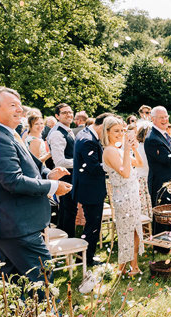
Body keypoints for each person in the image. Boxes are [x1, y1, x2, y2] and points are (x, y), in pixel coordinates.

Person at [0, 87, 71, 298]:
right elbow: (13, 180)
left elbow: (32, 166)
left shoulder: (11, 134)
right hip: (19, 227)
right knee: (43, 280)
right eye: (12, 105)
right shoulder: (1, 137)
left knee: (17, 287)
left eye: (19, 105)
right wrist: (53, 187)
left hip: (17, 226)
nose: (19, 110)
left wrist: (49, 174)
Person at [101, 116, 145, 276]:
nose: (120, 134)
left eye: (122, 130)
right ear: (107, 132)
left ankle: (130, 266)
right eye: (116, 131)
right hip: (123, 195)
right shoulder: (109, 150)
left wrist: (133, 149)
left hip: (131, 194)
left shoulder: (118, 149)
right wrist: (126, 150)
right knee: (126, 230)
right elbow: (125, 173)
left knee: (133, 230)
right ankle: (126, 267)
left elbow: (139, 163)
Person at [72, 112, 113, 267]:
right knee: (92, 224)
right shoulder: (88, 140)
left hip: (87, 187)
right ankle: (87, 259)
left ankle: (84, 256)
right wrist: (113, 163)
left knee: (91, 223)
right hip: (90, 190)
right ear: (103, 126)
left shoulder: (86, 133)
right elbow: (94, 168)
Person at [144, 106, 171, 235]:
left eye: (166, 117)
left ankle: (167, 238)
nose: (165, 120)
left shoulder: (164, 134)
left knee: (169, 213)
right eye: (161, 117)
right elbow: (169, 159)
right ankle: (160, 245)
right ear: (153, 119)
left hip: (169, 181)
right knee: (161, 214)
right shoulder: (152, 138)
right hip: (160, 183)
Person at [47, 103, 79, 238]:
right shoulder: (56, 133)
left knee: (69, 210)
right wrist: (80, 162)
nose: (68, 115)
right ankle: (68, 239)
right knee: (68, 210)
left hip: (71, 175)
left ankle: (65, 237)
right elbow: (59, 161)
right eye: (64, 112)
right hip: (64, 176)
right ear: (57, 116)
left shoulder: (68, 130)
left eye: (70, 112)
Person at [134, 121, 153, 219]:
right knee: (146, 201)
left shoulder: (139, 146)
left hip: (141, 176)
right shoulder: (143, 147)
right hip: (144, 178)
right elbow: (145, 164)